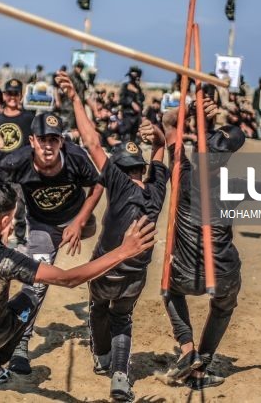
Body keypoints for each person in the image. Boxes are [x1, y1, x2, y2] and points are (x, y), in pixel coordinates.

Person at [0, 127, 157, 402]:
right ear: (7, 222)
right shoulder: (8, 260)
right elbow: (69, 278)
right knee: (32, 295)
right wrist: (123, 251)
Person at [162, 103, 261, 390]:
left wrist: (191, 109)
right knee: (223, 306)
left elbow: (168, 122)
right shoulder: (234, 185)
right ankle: (200, 365)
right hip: (222, 274)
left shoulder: (182, 174)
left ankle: (186, 348)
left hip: (185, 272)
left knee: (169, 290)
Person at [57, 72, 168, 401]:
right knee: (122, 317)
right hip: (136, 275)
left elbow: (91, 142)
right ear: (142, 169)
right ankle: (120, 374)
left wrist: (76, 99)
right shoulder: (157, 190)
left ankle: (102, 358)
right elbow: (162, 149)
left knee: (97, 309)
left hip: (107, 267)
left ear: (120, 170)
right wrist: (158, 136)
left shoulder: (118, 185)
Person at [0, 112, 104, 375]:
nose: (48, 146)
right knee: (37, 282)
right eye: (43, 139)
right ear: (32, 141)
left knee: (103, 238)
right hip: (42, 224)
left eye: (54, 140)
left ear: (61, 142)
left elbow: (98, 185)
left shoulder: (75, 157)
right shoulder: (17, 162)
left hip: (78, 219)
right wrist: (5, 221)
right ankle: (21, 343)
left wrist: (79, 221)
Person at [0, 78, 34, 247]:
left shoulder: (28, 118)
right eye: (9, 93)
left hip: (20, 171)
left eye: (16, 94)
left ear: (21, 96)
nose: (12, 97)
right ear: (4, 95)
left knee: (19, 205)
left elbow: (31, 145)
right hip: (0, 169)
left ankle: (18, 238)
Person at [118, 66, 145, 142]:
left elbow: (142, 99)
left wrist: (137, 91)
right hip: (128, 114)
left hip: (136, 116)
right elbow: (121, 99)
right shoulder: (125, 86)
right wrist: (131, 103)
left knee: (134, 135)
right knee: (126, 134)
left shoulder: (138, 88)